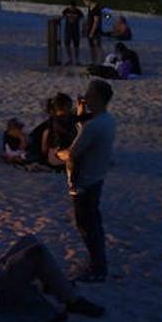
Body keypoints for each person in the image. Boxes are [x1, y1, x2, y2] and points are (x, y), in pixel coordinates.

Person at [56, 80, 115, 282]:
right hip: (96, 178)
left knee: (87, 227)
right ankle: (98, 263)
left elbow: (73, 153)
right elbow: (85, 131)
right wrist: (82, 111)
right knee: (94, 224)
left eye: (89, 94)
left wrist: (60, 154)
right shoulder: (107, 120)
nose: (85, 96)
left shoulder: (94, 126)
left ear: (96, 97)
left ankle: (97, 268)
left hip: (83, 182)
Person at [82, 0, 103, 65]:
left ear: (88, 1)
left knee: (97, 46)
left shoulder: (96, 9)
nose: (85, 4)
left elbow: (96, 22)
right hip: (90, 29)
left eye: (85, 2)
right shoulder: (90, 8)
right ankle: (93, 61)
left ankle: (100, 61)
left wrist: (92, 32)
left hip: (95, 31)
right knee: (92, 47)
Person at [61, 1, 83, 65]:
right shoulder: (66, 10)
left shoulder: (78, 11)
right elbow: (62, 16)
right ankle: (69, 59)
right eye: (70, 6)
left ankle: (77, 59)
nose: (71, 8)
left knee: (76, 45)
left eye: (72, 7)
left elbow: (82, 19)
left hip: (75, 30)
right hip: (67, 30)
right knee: (67, 44)